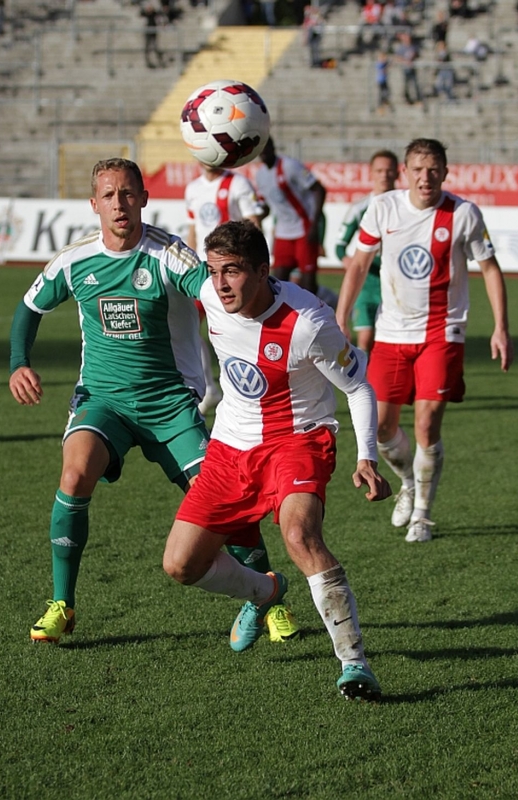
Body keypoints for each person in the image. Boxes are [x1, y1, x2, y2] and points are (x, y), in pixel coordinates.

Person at [8, 158, 293, 645]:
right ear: (94, 204)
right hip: (103, 400)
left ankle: (267, 597)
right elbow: (29, 307)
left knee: (221, 501)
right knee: (74, 475)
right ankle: (62, 603)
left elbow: (205, 287)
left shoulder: (168, 255)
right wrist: (18, 361)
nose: (119, 203)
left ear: (142, 198)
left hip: (170, 403)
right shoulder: (75, 261)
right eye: (109, 195)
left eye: (128, 193)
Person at [161, 220, 392, 700]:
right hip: (228, 448)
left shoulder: (309, 322)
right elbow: (169, 257)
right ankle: (264, 593)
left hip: (297, 442)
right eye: (214, 271)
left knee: (299, 535)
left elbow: (358, 386)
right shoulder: (211, 294)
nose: (221, 283)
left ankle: (354, 663)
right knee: (181, 565)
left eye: (234, 271)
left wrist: (367, 455)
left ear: (263, 270)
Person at [336, 138, 513, 543]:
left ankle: (422, 515)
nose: (425, 177)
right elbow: (359, 263)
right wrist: (341, 317)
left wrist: (501, 327)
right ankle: (409, 484)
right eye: (417, 169)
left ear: (446, 172)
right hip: (392, 332)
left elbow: (489, 268)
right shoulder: (383, 208)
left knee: (427, 422)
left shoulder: (464, 213)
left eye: (433, 169)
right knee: (381, 428)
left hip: (442, 330)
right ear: (405, 173)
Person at [184, 162, 267, 415]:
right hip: (203, 272)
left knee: (242, 328)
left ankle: (254, 387)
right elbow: (192, 230)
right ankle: (209, 389)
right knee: (187, 325)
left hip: (233, 273)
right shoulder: (193, 188)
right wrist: (189, 265)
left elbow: (253, 227)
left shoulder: (238, 184)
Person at [335, 149, 399, 353]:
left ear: (397, 173)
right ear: (371, 173)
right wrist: (350, 264)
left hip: (396, 282)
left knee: (392, 342)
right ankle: (365, 383)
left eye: (389, 171)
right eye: (379, 170)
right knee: (365, 340)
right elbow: (339, 246)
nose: (384, 175)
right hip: (366, 283)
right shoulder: (360, 207)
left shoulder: (405, 206)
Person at [255, 137, 326, 297]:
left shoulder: (289, 166)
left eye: (267, 148)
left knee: (308, 282)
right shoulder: (260, 176)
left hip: (304, 228)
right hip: (283, 232)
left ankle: (315, 313)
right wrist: (255, 218)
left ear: (273, 147)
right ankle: (284, 317)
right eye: (261, 149)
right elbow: (267, 205)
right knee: (276, 282)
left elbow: (319, 189)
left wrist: (315, 224)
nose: (264, 153)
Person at [395, 31, 422, 105]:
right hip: (405, 69)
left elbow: (417, 54)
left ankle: (417, 99)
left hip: (412, 68)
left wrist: (413, 56)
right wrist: (405, 61)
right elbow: (397, 57)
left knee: (415, 84)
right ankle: (407, 99)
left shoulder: (413, 47)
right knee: (406, 84)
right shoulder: (401, 48)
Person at [141, 3, 163, 69]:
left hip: (153, 34)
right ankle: (148, 62)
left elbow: (159, 20)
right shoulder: (145, 15)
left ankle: (159, 62)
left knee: (155, 47)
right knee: (147, 48)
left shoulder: (155, 14)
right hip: (148, 34)